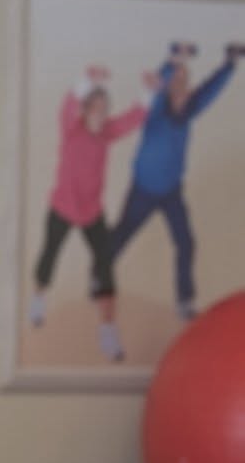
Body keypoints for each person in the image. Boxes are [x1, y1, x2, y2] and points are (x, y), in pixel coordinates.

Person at [107, 42, 241, 320]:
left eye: (185, 82)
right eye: (176, 82)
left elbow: (211, 89)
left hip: (171, 192)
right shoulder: (156, 109)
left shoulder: (189, 110)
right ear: (168, 88)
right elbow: (160, 81)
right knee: (122, 234)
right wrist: (173, 61)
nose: (181, 87)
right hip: (143, 190)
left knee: (185, 242)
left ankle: (184, 301)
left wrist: (229, 63)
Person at [27, 66, 146, 363]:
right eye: (95, 107)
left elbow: (133, 119)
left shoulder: (107, 133)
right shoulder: (72, 128)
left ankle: (108, 331)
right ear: (85, 109)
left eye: (105, 109)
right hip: (63, 207)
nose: (100, 113)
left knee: (105, 264)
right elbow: (68, 104)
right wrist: (88, 81)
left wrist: (149, 92)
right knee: (49, 254)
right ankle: (38, 297)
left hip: (92, 212)